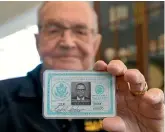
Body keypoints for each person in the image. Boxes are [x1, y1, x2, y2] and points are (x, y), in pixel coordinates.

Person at [0, 1, 164, 132]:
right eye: (54, 29)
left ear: (95, 44)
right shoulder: (2, 98)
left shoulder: (120, 105)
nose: (67, 43)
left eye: (80, 31)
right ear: (38, 42)